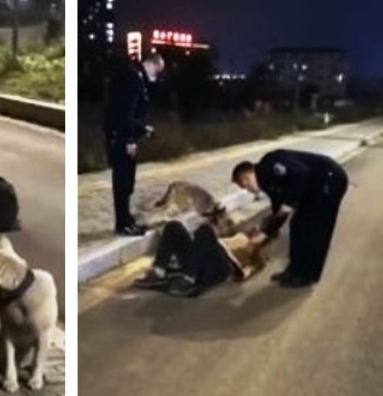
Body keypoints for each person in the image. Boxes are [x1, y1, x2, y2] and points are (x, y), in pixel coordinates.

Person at [232, 149, 349, 288]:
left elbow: (301, 173)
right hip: (313, 189)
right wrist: (264, 230)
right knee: (297, 226)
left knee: (314, 230)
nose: (248, 190)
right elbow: (278, 211)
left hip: (329, 179)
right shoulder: (268, 183)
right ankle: (294, 271)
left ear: (247, 176)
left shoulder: (270, 163)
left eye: (245, 185)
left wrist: (289, 203)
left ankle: (306, 276)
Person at [103, 53, 165, 236]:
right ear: (152, 64)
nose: (156, 76)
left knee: (127, 181)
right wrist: (128, 139)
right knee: (122, 182)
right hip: (121, 139)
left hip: (122, 136)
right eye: (157, 71)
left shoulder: (133, 76)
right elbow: (124, 112)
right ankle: (122, 224)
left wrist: (142, 129)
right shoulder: (132, 78)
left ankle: (126, 218)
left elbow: (129, 113)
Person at [133, 217, 267, 297]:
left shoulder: (255, 250)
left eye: (258, 230)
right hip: (200, 258)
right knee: (174, 226)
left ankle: (188, 281)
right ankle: (159, 273)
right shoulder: (236, 234)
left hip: (217, 268)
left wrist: (251, 253)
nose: (255, 230)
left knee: (204, 230)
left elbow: (248, 270)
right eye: (255, 228)